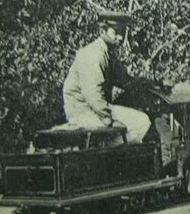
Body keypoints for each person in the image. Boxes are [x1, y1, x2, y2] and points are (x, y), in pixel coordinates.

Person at [59, 10, 151, 144]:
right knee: (141, 122)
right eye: (115, 32)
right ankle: (111, 155)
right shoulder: (93, 54)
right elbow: (93, 95)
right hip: (83, 112)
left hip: (94, 109)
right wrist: (109, 121)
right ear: (102, 31)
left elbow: (125, 80)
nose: (120, 37)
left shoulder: (107, 54)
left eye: (122, 32)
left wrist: (150, 84)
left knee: (137, 119)